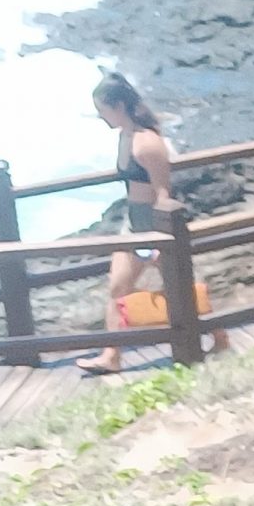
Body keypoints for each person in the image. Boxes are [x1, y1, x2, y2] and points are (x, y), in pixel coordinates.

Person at [78, 72, 181, 373]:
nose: (100, 118)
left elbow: (164, 192)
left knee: (179, 287)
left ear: (119, 105)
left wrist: (162, 239)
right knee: (117, 288)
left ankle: (220, 334)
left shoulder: (147, 143)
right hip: (132, 223)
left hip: (152, 223)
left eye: (103, 111)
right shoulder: (125, 136)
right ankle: (112, 357)